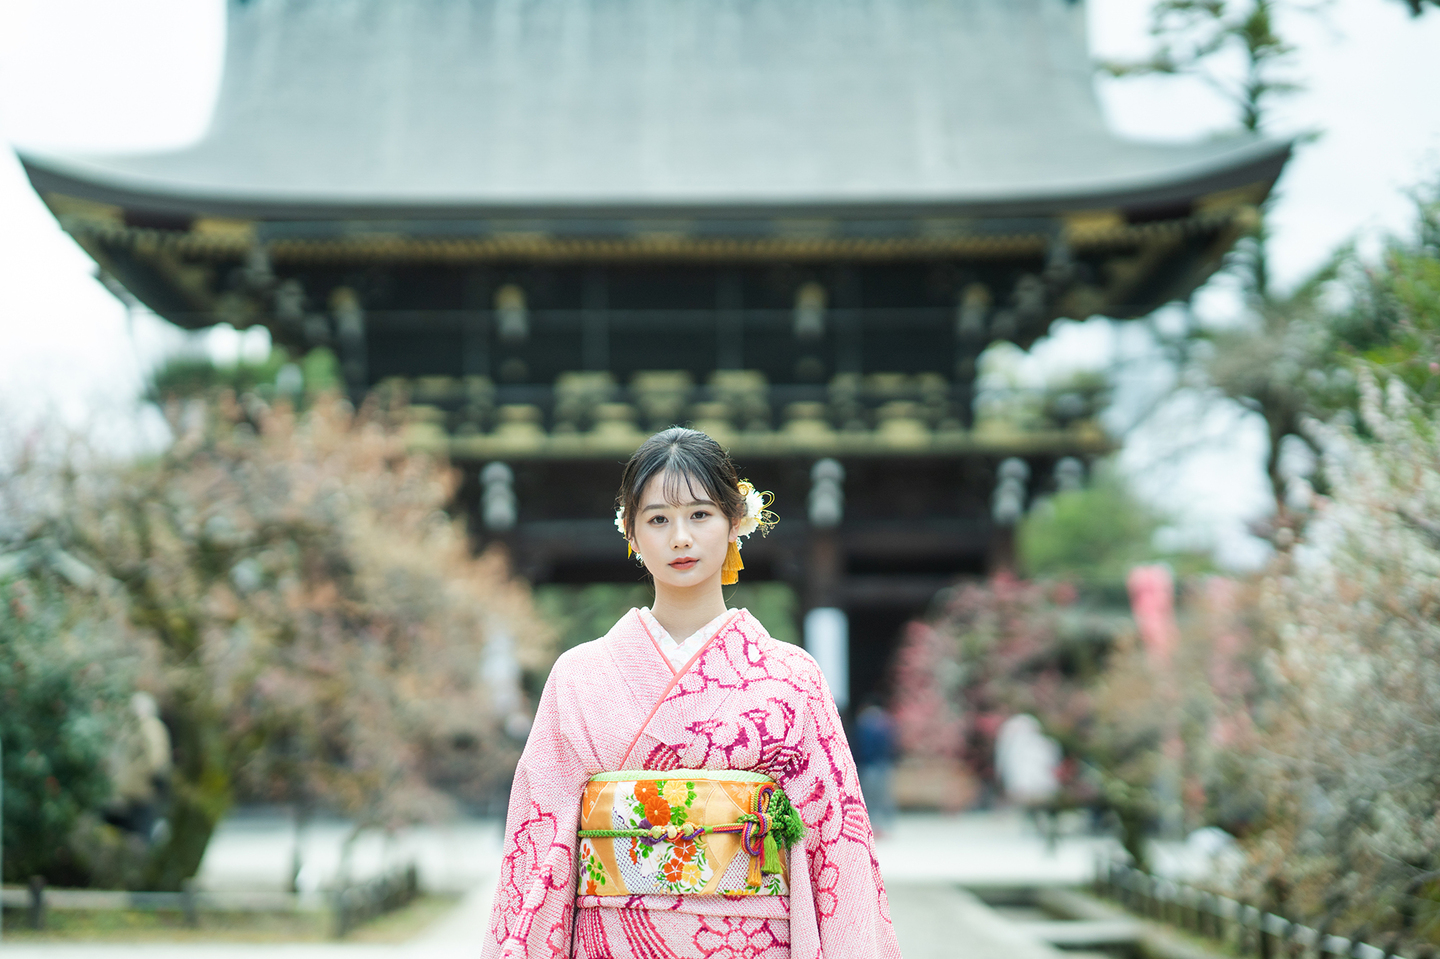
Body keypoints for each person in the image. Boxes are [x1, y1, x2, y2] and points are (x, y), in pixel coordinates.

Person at [483, 428, 901, 959]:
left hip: (749, 943)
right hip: (610, 943)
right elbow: (537, 849)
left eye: (700, 515)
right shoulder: (578, 676)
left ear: (735, 524)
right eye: (658, 519)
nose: (680, 537)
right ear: (631, 534)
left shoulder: (793, 678)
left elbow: (836, 846)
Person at [854, 698, 898, 838]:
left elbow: (859, 746)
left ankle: (874, 827)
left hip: (869, 765)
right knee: (883, 797)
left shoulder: (863, 724)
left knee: (871, 798)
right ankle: (885, 827)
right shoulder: (884, 724)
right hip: (882, 764)